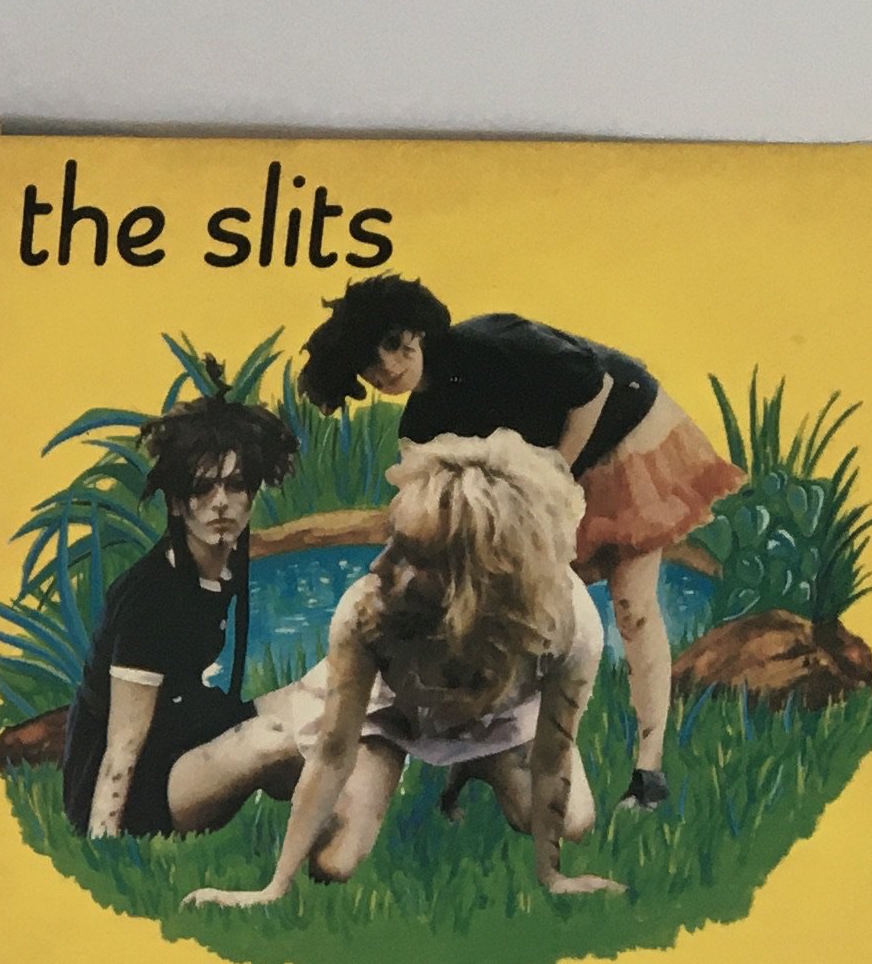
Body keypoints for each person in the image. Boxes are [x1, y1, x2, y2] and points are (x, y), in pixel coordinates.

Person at [301, 274, 746, 810]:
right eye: (372, 366)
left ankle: (648, 771)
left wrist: (557, 474)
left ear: (417, 330)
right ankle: (483, 752)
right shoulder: (420, 426)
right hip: (540, 484)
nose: (391, 367)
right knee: (503, 607)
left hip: (619, 437)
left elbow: (594, 386)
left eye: (397, 344)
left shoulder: (492, 342)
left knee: (632, 604)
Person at [164, 434, 619, 910]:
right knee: (334, 864)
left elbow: (552, 756)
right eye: (391, 542)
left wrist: (552, 875)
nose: (379, 564)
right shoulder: (368, 607)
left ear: (475, 579)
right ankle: (286, 745)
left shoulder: (567, 624)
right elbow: (333, 755)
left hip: (499, 716)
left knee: (573, 823)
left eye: (410, 557)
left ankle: (479, 761)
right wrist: (275, 888)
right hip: (390, 714)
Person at [62, 391, 299, 838]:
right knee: (272, 741)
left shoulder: (224, 563)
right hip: (142, 785)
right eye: (202, 488)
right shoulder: (151, 596)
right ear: (176, 503)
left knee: (318, 697)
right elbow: (122, 746)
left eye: (235, 485)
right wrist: (103, 842)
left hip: (185, 730)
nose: (221, 502)